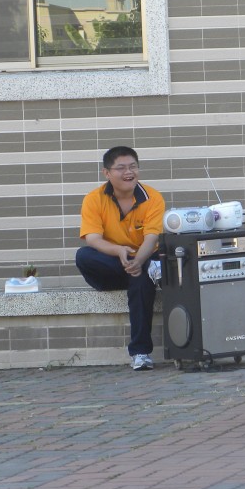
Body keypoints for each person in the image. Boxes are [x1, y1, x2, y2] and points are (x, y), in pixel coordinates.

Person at [76, 146, 165, 371]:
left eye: (133, 166)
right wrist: (118, 251)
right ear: (107, 173)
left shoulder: (153, 197)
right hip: (112, 265)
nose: (129, 172)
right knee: (84, 256)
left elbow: (152, 237)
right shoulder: (93, 199)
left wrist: (137, 261)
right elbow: (93, 239)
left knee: (142, 276)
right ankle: (148, 268)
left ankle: (140, 353)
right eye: (121, 168)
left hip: (141, 260)